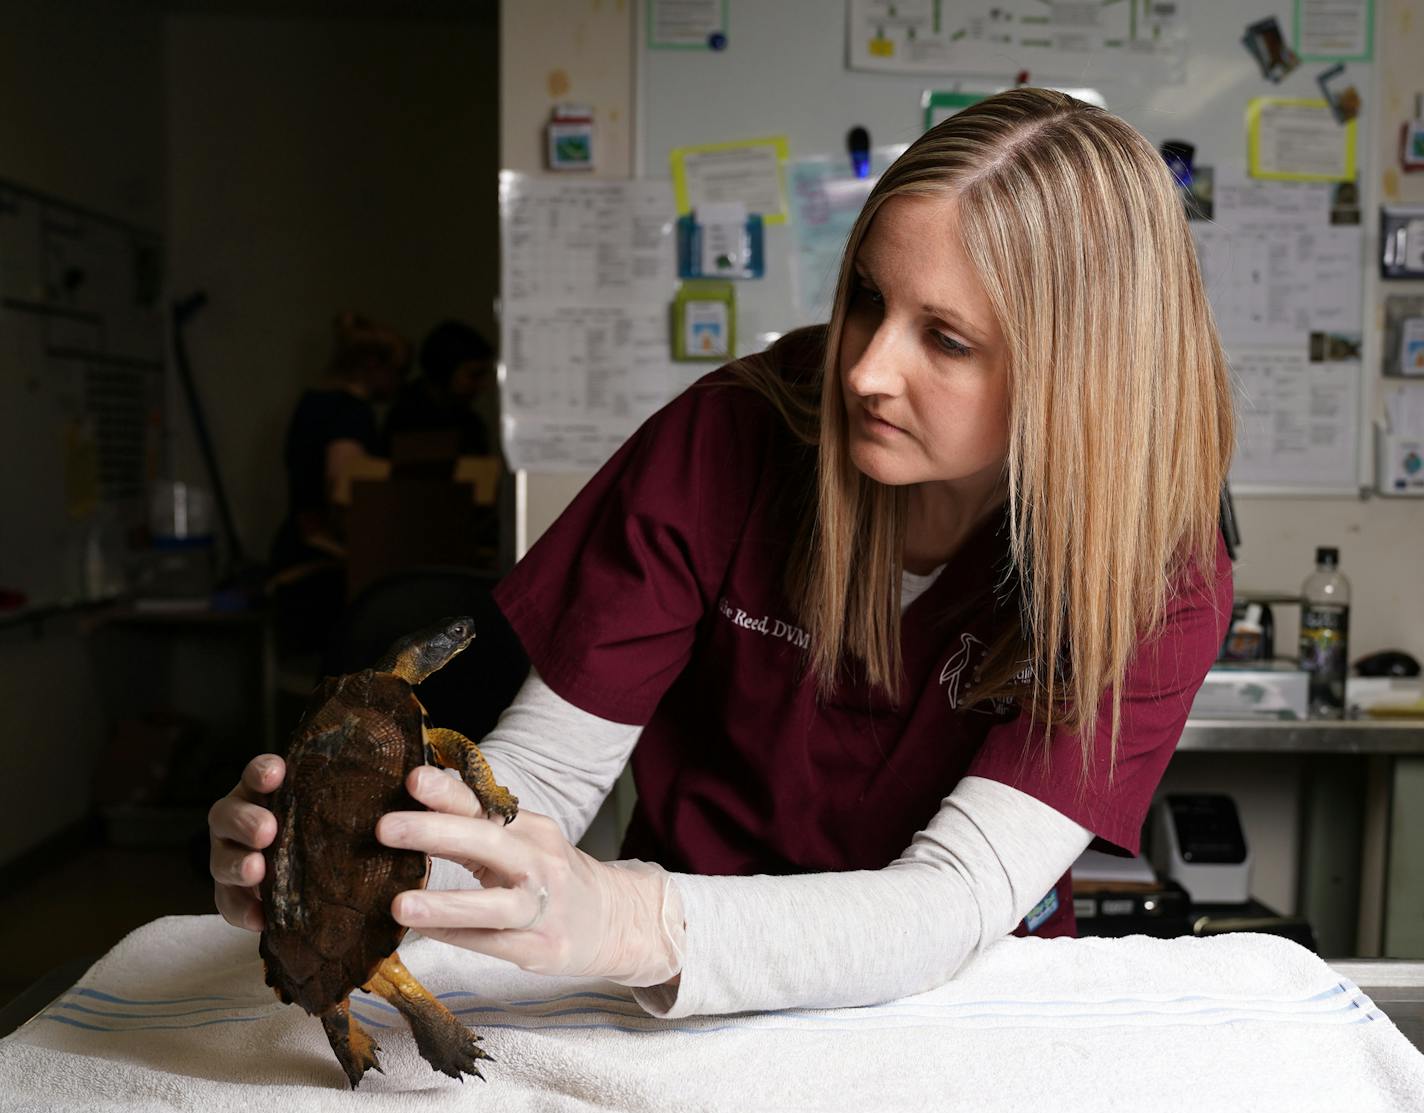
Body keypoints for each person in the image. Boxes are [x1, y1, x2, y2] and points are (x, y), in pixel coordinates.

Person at [213, 90, 1235, 1016]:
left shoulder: (1152, 565)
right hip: (668, 990)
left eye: (947, 339)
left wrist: (627, 917)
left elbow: (951, 897)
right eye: (869, 301)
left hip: (944, 1004)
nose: (866, 370)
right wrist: (348, 866)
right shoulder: (733, 434)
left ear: (1077, 376)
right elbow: (544, 782)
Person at [267, 313, 409, 650]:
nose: (400, 383)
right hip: (315, 565)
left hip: (291, 550)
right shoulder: (350, 413)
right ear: (374, 366)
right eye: (398, 372)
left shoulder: (312, 403)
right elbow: (344, 489)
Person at [383, 319, 497, 457]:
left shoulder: (470, 423)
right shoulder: (407, 419)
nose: (483, 385)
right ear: (444, 371)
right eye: (474, 375)